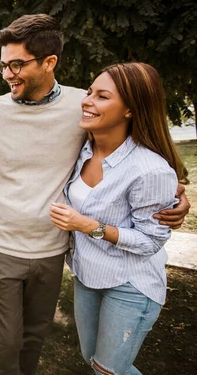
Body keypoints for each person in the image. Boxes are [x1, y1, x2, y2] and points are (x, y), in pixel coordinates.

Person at [0, 14, 190, 375]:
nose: (8, 73)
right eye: (3, 66)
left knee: (34, 339)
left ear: (49, 62)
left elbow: (135, 151)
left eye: (17, 64)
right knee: (4, 346)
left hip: (53, 252)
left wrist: (175, 194)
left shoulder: (83, 107)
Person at [49, 62, 188, 375]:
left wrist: (87, 226)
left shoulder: (149, 169)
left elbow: (151, 241)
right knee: (93, 359)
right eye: (89, 92)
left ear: (129, 110)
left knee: (107, 370)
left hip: (130, 283)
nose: (87, 101)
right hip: (87, 274)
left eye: (101, 96)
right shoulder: (81, 149)